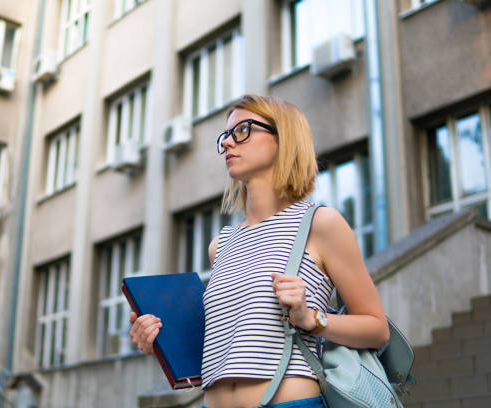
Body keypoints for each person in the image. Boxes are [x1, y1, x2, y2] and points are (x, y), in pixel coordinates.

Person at [129, 94, 390, 408]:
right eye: (225, 136)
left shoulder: (320, 224)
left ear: (284, 139)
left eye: (242, 131)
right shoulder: (221, 245)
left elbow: (377, 329)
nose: (228, 143)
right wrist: (159, 340)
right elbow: (229, 347)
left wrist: (310, 318)